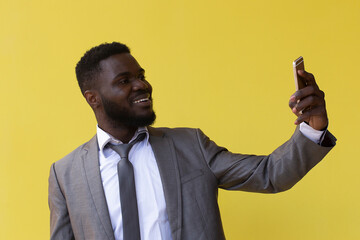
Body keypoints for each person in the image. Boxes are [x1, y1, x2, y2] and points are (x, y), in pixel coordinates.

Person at [48, 42, 336, 240]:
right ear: (93, 98)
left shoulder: (189, 146)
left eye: (141, 75)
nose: (142, 85)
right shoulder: (66, 174)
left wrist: (312, 128)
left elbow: (270, 174)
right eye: (124, 81)